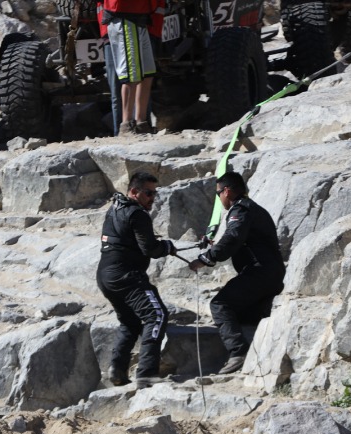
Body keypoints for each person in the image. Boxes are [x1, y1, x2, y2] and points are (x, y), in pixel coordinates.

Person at [189, 171, 285, 374]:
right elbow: (240, 240)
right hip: (270, 274)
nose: (219, 198)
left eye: (218, 193)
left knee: (219, 304)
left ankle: (238, 353)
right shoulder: (252, 209)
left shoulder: (240, 209)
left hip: (259, 273)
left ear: (227, 191)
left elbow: (232, 237)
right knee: (240, 315)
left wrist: (206, 259)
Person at [97, 170, 176, 388]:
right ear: (134, 192)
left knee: (130, 321)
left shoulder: (114, 208)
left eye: (155, 194)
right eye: (149, 194)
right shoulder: (138, 214)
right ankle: (147, 374)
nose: (153, 198)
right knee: (157, 314)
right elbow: (149, 248)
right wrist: (167, 246)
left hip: (105, 276)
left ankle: (117, 369)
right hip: (126, 276)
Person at [100, 0, 162, 134]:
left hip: (140, 18)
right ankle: (126, 125)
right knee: (130, 75)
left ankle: (141, 123)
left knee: (147, 74)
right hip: (124, 17)